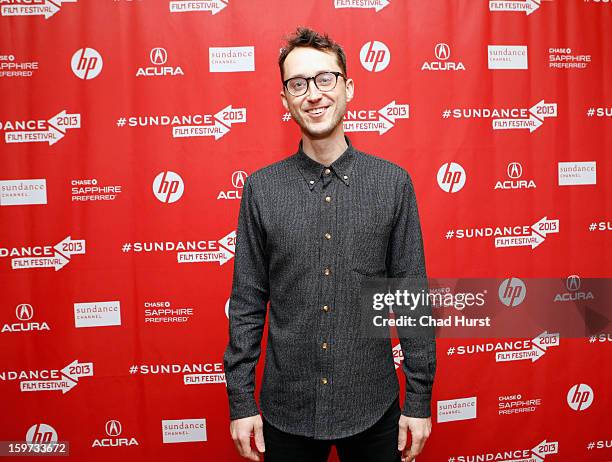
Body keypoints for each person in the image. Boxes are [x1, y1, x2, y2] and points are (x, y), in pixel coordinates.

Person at [223, 27, 436, 462]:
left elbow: (411, 298)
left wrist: (418, 399)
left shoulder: (392, 184)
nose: (313, 94)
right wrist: (241, 402)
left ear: (348, 88)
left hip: (373, 408)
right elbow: (247, 302)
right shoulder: (261, 190)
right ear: (285, 100)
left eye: (325, 79)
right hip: (286, 413)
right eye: (297, 84)